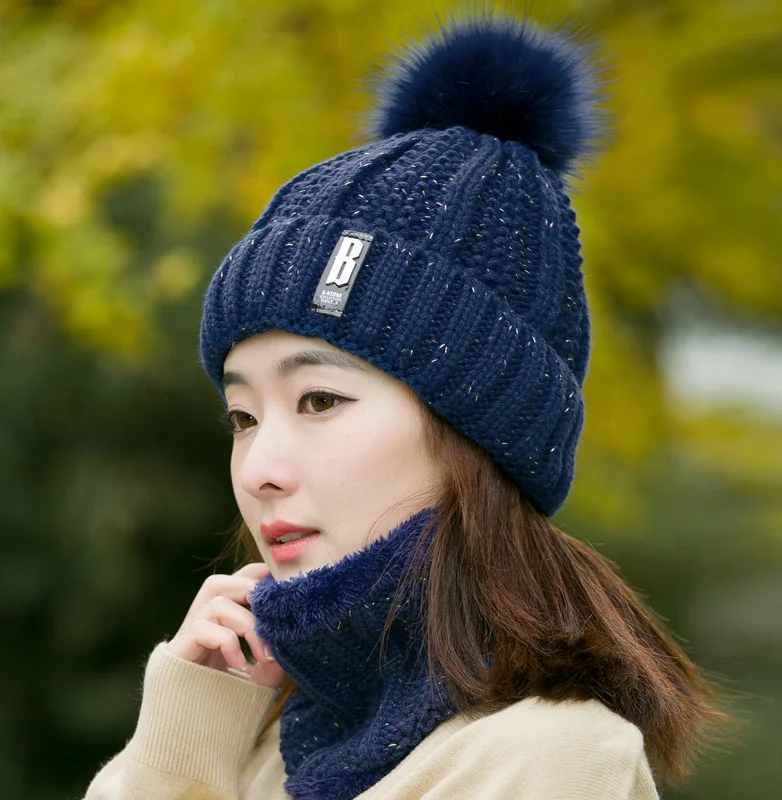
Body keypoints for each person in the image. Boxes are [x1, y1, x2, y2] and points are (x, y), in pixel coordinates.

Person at [84, 11, 733, 800]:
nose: (258, 470)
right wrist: (185, 735)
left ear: (476, 429)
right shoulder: (246, 739)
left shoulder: (548, 757)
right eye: (243, 417)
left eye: (319, 398)